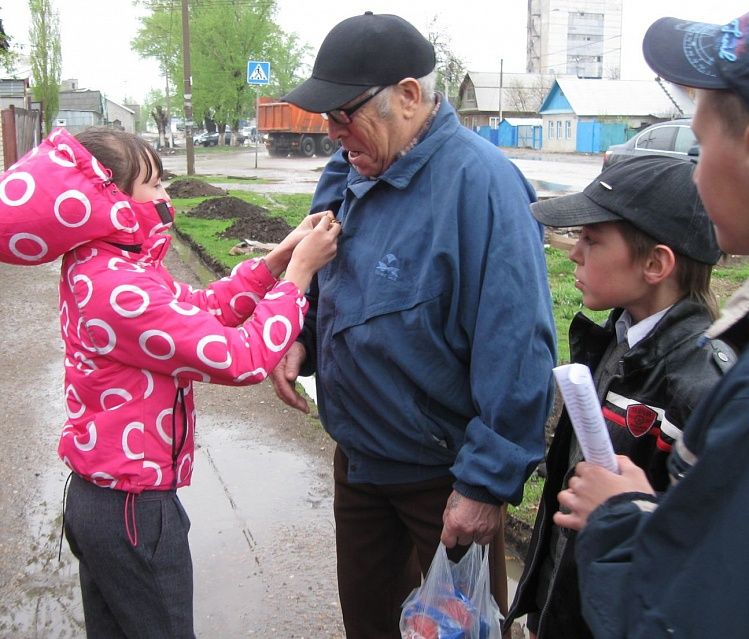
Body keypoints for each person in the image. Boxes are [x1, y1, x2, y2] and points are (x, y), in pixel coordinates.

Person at [269, 11, 557, 638]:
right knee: (370, 627)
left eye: (344, 114)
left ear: (407, 95)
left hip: (444, 488)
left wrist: (484, 486)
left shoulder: (483, 185)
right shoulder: (347, 171)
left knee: (456, 632)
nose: (332, 132)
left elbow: (518, 344)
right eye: (326, 118)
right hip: (360, 464)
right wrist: (302, 335)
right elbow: (323, 270)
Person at [0, 126, 340, 638]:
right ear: (110, 200)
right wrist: (298, 278)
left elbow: (200, 312)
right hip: (134, 512)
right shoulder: (116, 287)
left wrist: (276, 260)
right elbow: (239, 357)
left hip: (108, 501)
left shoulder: (108, 265)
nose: (165, 196)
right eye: (153, 185)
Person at [551, 10, 749, 638]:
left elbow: (692, 598)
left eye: (702, 139)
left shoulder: (710, 384)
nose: (697, 172)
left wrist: (628, 515)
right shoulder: (612, 341)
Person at [504, 154, 731, 639]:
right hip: (568, 606)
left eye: (591, 239)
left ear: (655, 263)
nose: (573, 254)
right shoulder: (617, 343)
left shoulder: (701, 390)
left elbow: (706, 558)